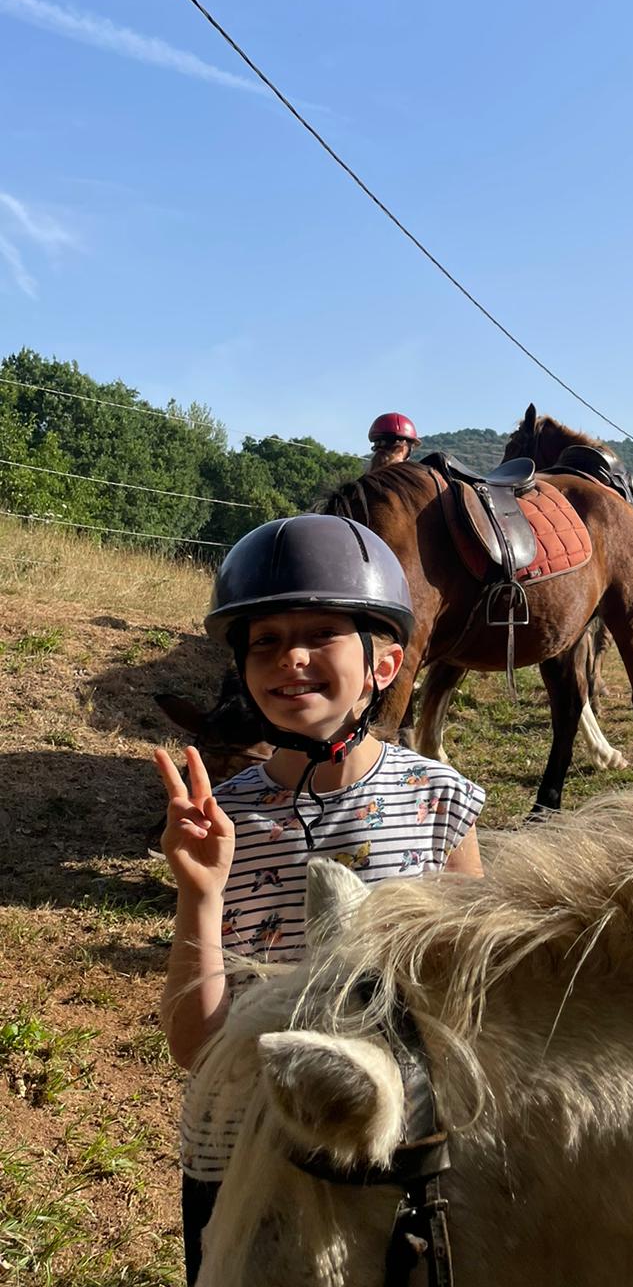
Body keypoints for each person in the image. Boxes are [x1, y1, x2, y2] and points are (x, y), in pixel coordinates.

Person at [153, 514, 483, 1285]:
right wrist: (200, 892)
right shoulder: (225, 816)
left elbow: (473, 1000)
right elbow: (196, 1048)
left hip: (396, 1149)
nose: (289, 656)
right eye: (264, 641)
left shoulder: (440, 802)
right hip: (240, 1149)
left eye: (320, 633)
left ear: (384, 664)